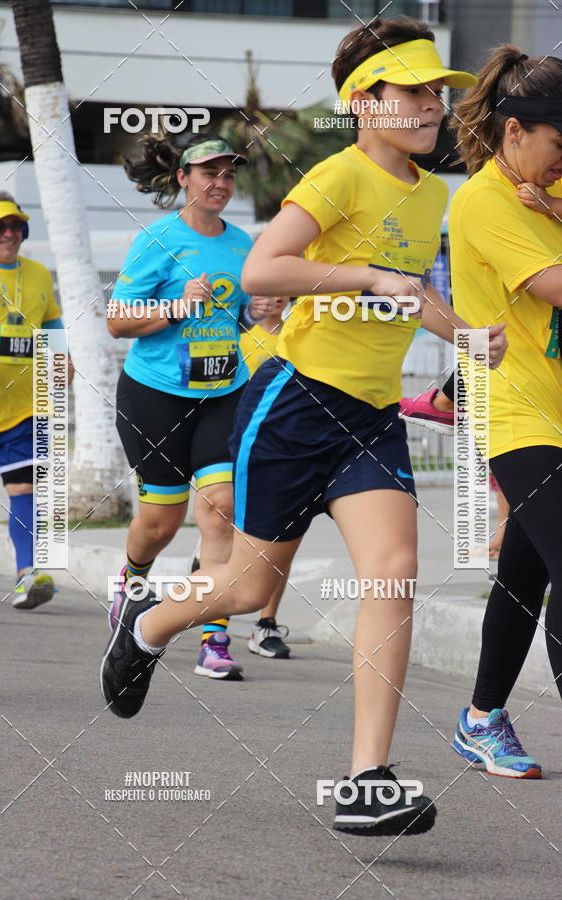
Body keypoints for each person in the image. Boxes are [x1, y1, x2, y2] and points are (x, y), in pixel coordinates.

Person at [101, 19, 506, 834]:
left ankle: (367, 779)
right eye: (415, 91)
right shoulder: (337, 177)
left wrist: (464, 334)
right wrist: (361, 272)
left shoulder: (432, 192)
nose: (432, 105)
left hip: (373, 417)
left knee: (393, 572)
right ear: (366, 103)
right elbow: (262, 269)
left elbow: (408, 291)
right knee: (250, 589)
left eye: (438, 93)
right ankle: (148, 624)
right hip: (294, 405)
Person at [107, 131, 270, 681]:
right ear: (183, 180)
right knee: (160, 523)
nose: (220, 184)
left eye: (228, 175)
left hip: (222, 393)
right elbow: (117, 321)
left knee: (220, 506)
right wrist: (177, 306)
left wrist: (266, 308)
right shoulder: (157, 239)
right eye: (209, 174)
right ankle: (131, 583)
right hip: (154, 396)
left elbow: (248, 315)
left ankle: (214, 636)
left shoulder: (245, 246)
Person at [447, 47, 562, 779]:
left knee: (524, 574)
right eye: (559, 146)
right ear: (515, 131)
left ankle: (482, 719)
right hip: (516, 412)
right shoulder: (485, 200)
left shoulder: (547, 187)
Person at [0, 190, 68, 608]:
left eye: (15, 226)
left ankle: (27, 575)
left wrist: (62, 359)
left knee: (23, 487)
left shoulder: (39, 274)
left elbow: (52, 321)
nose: (8, 234)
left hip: (23, 408)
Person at [240, 296, 293, 658]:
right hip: (244, 445)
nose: (273, 298)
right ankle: (209, 624)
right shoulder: (238, 338)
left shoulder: (300, 335)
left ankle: (266, 625)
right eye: (266, 290)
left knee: (283, 542)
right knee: (225, 538)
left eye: (281, 291)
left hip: (290, 448)